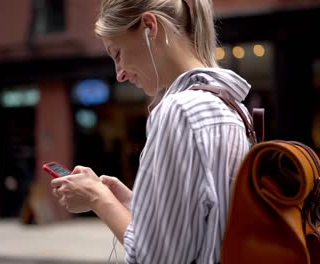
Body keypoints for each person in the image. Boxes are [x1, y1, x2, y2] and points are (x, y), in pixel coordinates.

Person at [50, 0, 253, 263]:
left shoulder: (179, 111)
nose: (119, 74)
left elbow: (154, 257)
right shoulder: (232, 107)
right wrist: (131, 203)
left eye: (118, 53)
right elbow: (202, 223)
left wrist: (96, 197)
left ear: (149, 26)